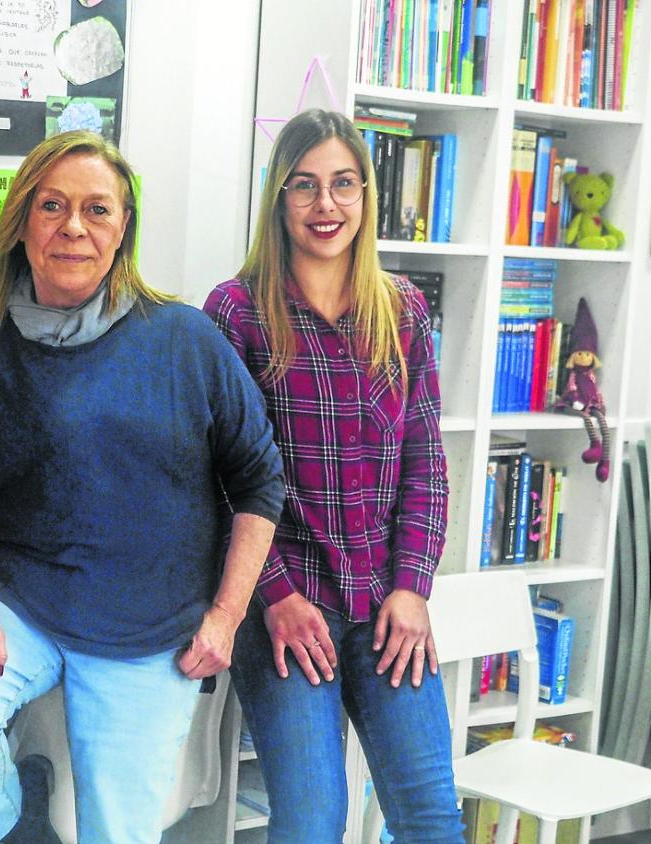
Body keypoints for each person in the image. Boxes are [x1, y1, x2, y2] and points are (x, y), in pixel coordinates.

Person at [0, 130, 285, 844]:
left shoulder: (185, 340)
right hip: (16, 601)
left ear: (123, 230)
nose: (73, 227)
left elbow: (260, 480)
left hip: (150, 623)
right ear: (21, 224)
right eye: (52, 206)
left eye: (97, 210)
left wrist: (228, 616)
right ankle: (19, 827)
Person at [203, 108, 463, 842]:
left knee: (432, 819)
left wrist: (413, 587)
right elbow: (219, 482)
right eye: (305, 186)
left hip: (387, 605)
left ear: (366, 195)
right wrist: (276, 595)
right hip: (288, 610)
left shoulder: (403, 309)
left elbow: (426, 465)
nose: (326, 206)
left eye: (344, 185)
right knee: (315, 821)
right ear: (278, 198)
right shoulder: (236, 312)